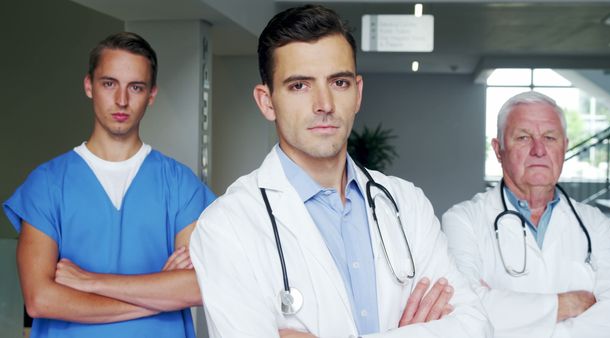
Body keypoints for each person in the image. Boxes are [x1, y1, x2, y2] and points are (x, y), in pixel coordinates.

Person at [190, 5, 491, 338]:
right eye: (299, 86)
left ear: (358, 93)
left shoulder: (406, 204)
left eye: (339, 82)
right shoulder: (227, 225)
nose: (324, 104)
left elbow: (474, 327)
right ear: (267, 102)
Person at [3, 32, 216, 338]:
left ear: (151, 94)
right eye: (109, 83)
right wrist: (159, 296)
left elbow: (197, 287)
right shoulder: (47, 184)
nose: (121, 100)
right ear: (89, 85)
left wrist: (91, 281)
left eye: (136, 87)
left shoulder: (180, 185)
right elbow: (40, 299)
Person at [442, 91, 610, 337]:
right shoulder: (463, 220)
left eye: (550, 137)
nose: (539, 150)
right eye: (523, 137)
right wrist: (569, 304)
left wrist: (506, 314)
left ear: (564, 146)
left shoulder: (595, 223)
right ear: (499, 149)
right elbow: (464, 314)